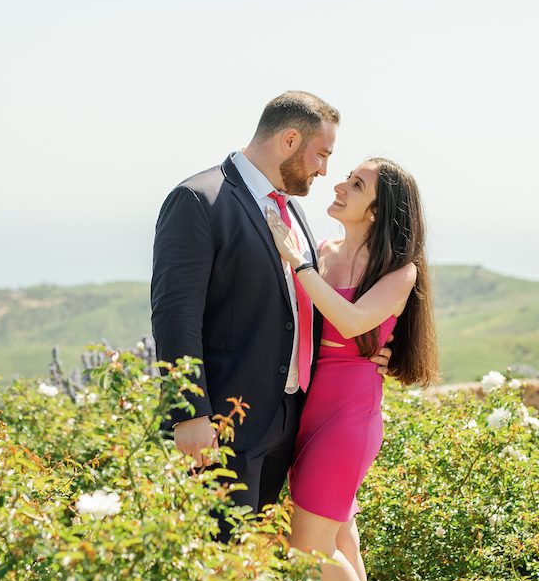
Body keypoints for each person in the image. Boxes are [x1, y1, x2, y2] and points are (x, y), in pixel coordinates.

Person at [150, 91, 392, 523]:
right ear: (289, 140)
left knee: (257, 564)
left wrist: (373, 351)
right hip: (224, 423)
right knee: (218, 560)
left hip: (289, 420)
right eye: (321, 154)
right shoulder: (198, 200)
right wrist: (190, 413)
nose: (324, 170)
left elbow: (302, 307)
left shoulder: (292, 211)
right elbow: (175, 315)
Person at [265, 157, 438, 581]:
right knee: (341, 554)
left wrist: (298, 264)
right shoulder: (321, 244)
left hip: (348, 417)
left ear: (380, 207)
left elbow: (351, 316)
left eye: (355, 184)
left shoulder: (399, 269)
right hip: (303, 411)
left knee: (307, 552)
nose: (338, 185)